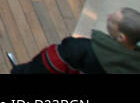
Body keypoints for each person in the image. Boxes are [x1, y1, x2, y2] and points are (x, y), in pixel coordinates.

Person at [12, 8, 140, 74]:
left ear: (121, 37)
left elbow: (43, 65)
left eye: (112, 20)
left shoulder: (79, 49)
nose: (108, 16)